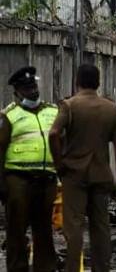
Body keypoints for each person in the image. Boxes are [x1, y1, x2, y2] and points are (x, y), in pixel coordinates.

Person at [48, 64, 116, 272]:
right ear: (98, 82)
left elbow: (54, 133)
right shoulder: (111, 108)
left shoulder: (69, 106)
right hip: (101, 176)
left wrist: (59, 164)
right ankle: (102, 268)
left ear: (77, 81)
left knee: (74, 227)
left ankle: (73, 268)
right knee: (101, 227)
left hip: (74, 175)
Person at [0, 66, 58, 272]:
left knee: (44, 231)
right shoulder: (9, 116)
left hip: (47, 180)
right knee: (17, 231)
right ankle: (18, 268)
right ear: (16, 92)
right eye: (26, 88)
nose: (32, 91)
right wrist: (2, 185)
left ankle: (45, 268)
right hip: (19, 181)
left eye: (33, 86)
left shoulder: (53, 111)